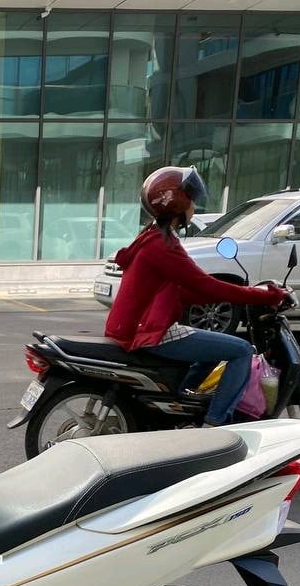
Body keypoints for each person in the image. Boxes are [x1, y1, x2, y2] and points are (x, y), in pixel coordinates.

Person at [105, 166, 286, 426]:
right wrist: (263, 295)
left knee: (213, 346)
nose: (194, 207)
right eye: (191, 200)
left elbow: (184, 290)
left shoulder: (151, 237)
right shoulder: (163, 245)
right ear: (178, 203)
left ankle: (180, 407)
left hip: (134, 327)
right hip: (149, 332)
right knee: (241, 350)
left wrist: (218, 295)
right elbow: (206, 285)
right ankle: (214, 423)